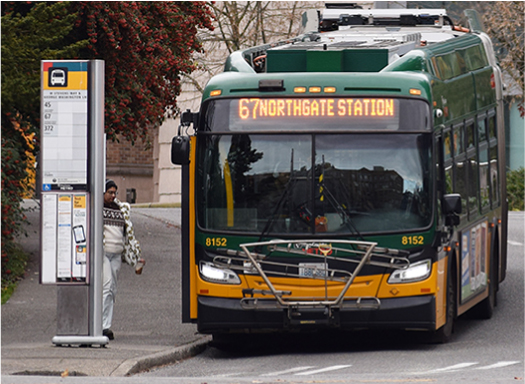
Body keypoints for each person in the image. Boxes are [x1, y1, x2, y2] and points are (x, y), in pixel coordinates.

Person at [102, 179, 145, 340]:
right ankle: (100, 325)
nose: (113, 195)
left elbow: (129, 236)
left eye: (115, 192)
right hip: (103, 253)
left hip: (117, 254)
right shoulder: (98, 207)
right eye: (110, 192)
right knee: (106, 286)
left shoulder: (122, 209)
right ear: (103, 192)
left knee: (112, 289)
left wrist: (136, 256)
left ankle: (106, 325)